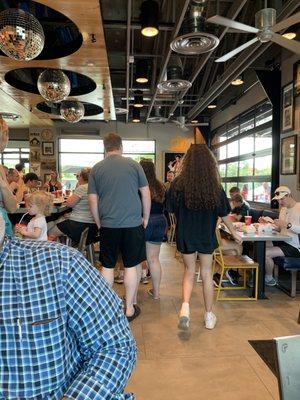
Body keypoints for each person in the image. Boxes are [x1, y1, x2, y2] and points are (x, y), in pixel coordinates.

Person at [0, 212, 136, 399]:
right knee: (128, 263)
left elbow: (115, 344)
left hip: (98, 226)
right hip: (102, 227)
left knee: (104, 261)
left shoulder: (61, 262)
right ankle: (129, 306)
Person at [168, 144, 241, 331]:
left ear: (188, 162)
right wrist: (234, 233)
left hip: (186, 234)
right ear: (209, 162)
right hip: (206, 235)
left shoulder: (178, 184)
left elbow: (171, 210)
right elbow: (225, 214)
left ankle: (185, 309)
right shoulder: (214, 186)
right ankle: (209, 316)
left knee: (189, 271)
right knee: (207, 273)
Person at [88, 133, 151, 322]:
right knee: (131, 265)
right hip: (133, 223)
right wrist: (145, 217)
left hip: (109, 224)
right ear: (121, 147)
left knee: (107, 266)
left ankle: (107, 309)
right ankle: (129, 309)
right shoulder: (133, 165)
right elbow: (146, 193)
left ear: (105, 148)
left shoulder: (96, 169)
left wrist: (99, 222)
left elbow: (92, 200)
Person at [49, 167, 98, 244]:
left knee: (50, 232)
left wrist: (78, 187)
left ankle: (60, 252)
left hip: (78, 225)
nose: (78, 178)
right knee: (62, 221)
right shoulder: (96, 187)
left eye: (78, 176)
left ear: (82, 177)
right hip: (92, 226)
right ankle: (66, 247)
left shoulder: (82, 188)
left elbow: (69, 204)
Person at [140, 160, 167, 300]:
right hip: (160, 221)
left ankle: (132, 296)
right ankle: (156, 293)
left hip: (143, 221)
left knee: (137, 259)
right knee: (154, 260)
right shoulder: (160, 185)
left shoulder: (138, 185)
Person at [264, 186, 300, 286]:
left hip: (295, 246)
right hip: (283, 240)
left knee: (264, 253)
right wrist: (270, 224)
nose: (280, 203)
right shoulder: (283, 209)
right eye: (278, 200)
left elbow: (288, 226)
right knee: (263, 243)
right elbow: (281, 229)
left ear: (289, 195)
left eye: (282, 199)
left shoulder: (299, 208)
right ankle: (260, 275)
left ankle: (268, 278)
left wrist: (288, 225)